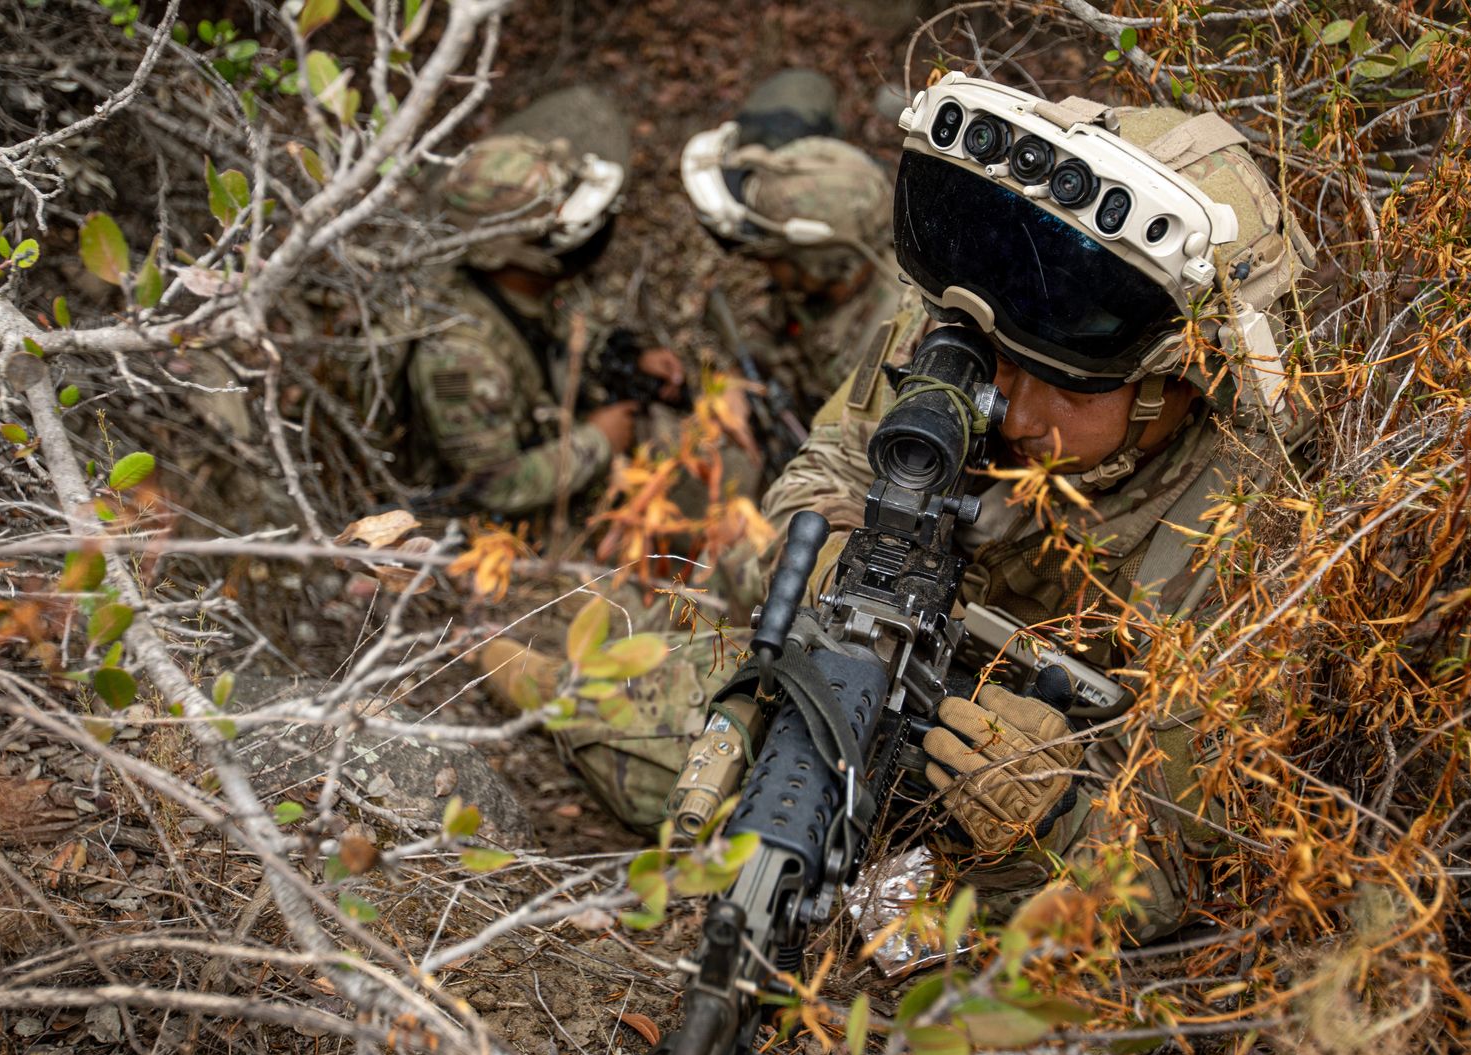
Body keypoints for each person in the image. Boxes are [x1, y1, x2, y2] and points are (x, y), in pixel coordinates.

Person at [494, 78, 1316, 942]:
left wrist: (1053, 816)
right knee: (684, 749)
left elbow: (1183, 867)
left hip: (1017, 786)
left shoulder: (1245, 531)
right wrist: (825, 560)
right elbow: (825, 471)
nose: (1010, 407)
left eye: (1068, 385)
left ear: (1185, 377)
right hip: (873, 681)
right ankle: (558, 687)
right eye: (999, 359)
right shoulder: (957, 333)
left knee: (990, 928)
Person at [388, 87, 689, 520]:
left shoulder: (528, 289)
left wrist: (631, 358)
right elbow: (491, 486)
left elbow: (560, 335)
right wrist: (598, 442)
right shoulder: (459, 357)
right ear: (509, 253)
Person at [681, 70, 915, 420]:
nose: (765, 267)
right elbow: (775, 332)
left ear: (819, 263)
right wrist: (736, 381)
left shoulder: (895, 352)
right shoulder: (817, 288)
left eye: (776, 257)